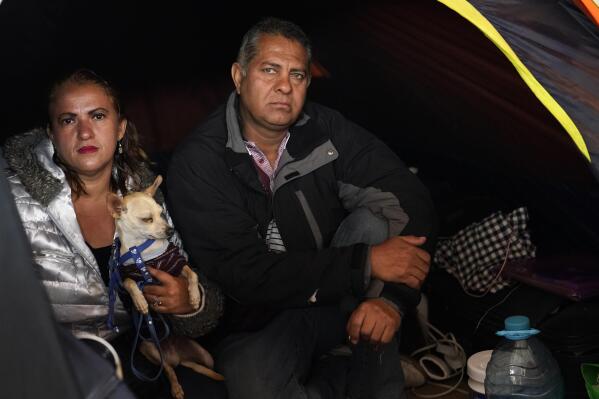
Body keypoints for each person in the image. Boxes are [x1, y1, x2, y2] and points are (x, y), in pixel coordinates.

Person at [167, 17, 436, 399]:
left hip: (330, 297)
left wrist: (390, 302)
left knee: (376, 223)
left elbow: (409, 199)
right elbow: (246, 275)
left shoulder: (324, 130)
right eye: (270, 70)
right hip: (254, 323)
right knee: (255, 384)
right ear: (239, 76)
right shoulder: (200, 161)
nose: (284, 86)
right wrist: (365, 263)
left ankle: (373, 378)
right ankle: (336, 373)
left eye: (297, 75)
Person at [2, 69, 224, 398]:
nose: (85, 132)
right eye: (68, 120)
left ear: (120, 129)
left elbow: (189, 279)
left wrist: (189, 302)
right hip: (56, 371)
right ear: (51, 134)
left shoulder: (144, 194)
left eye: (98, 115)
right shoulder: (13, 199)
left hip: (139, 357)